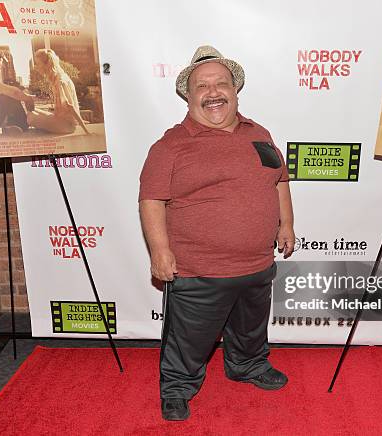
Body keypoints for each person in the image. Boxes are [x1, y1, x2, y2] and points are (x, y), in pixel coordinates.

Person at [139, 46, 295, 421]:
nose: (213, 93)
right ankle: (177, 388)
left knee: (250, 328)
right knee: (188, 339)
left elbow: (279, 180)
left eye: (221, 83)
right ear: (189, 96)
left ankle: (248, 366)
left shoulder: (259, 132)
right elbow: (151, 200)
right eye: (202, 86)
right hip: (198, 270)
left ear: (235, 89)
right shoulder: (170, 146)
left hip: (257, 264)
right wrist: (159, 252)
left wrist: (286, 224)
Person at [27, 49, 90, 135]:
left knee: (30, 117)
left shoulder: (59, 82)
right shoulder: (59, 77)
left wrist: (86, 130)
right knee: (33, 110)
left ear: (46, 65)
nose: (36, 67)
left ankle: (16, 130)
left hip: (66, 125)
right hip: (61, 120)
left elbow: (70, 106)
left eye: (38, 63)